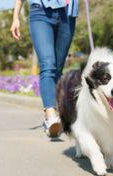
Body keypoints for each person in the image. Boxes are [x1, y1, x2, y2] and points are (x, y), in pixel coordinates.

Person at [10, 0, 79, 138]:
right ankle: (51, 115)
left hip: (67, 14)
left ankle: (50, 117)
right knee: (48, 64)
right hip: (41, 11)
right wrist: (15, 17)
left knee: (58, 69)